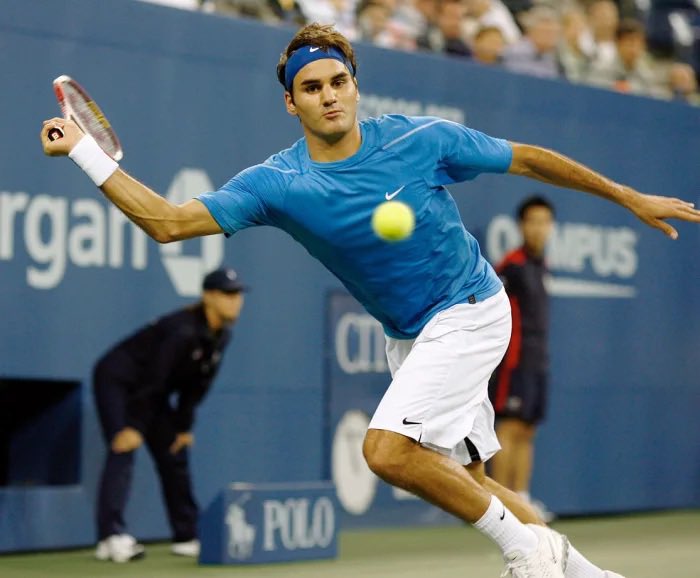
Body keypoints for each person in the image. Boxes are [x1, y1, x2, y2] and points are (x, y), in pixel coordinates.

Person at [41, 22, 700, 577]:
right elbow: (168, 223)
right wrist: (83, 155)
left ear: (355, 83)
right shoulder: (277, 182)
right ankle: (586, 573)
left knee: (384, 451)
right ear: (291, 105)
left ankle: (524, 549)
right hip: (410, 335)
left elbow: (527, 160)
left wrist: (628, 197)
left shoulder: (421, 140)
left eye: (338, 81)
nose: (329, 97)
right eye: (311, 88)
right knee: (468, 480)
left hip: (471, 310)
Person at [91, 267, 245, 562]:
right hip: (119, 380)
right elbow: (154, 379)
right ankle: (110, 537)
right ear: (208, 297)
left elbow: (196, 386)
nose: (235, 301)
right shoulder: (181, 331)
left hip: (151, 392)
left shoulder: (221, 337)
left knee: (175, 451)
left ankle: (187, 534)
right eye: (228, 294)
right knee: (123, 447)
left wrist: (184, 426)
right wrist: (134, 425)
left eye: (238, 294)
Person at [488, 196, 555, 524]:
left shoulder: (541, 265)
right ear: (521, 226)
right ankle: (501, 506)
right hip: (513, 363)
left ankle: (523, 502)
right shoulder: (510, 267)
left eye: (544, 222)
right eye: (532, 221)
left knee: (528, 430)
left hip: (537, 361)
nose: (539, 229)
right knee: (510, 428)